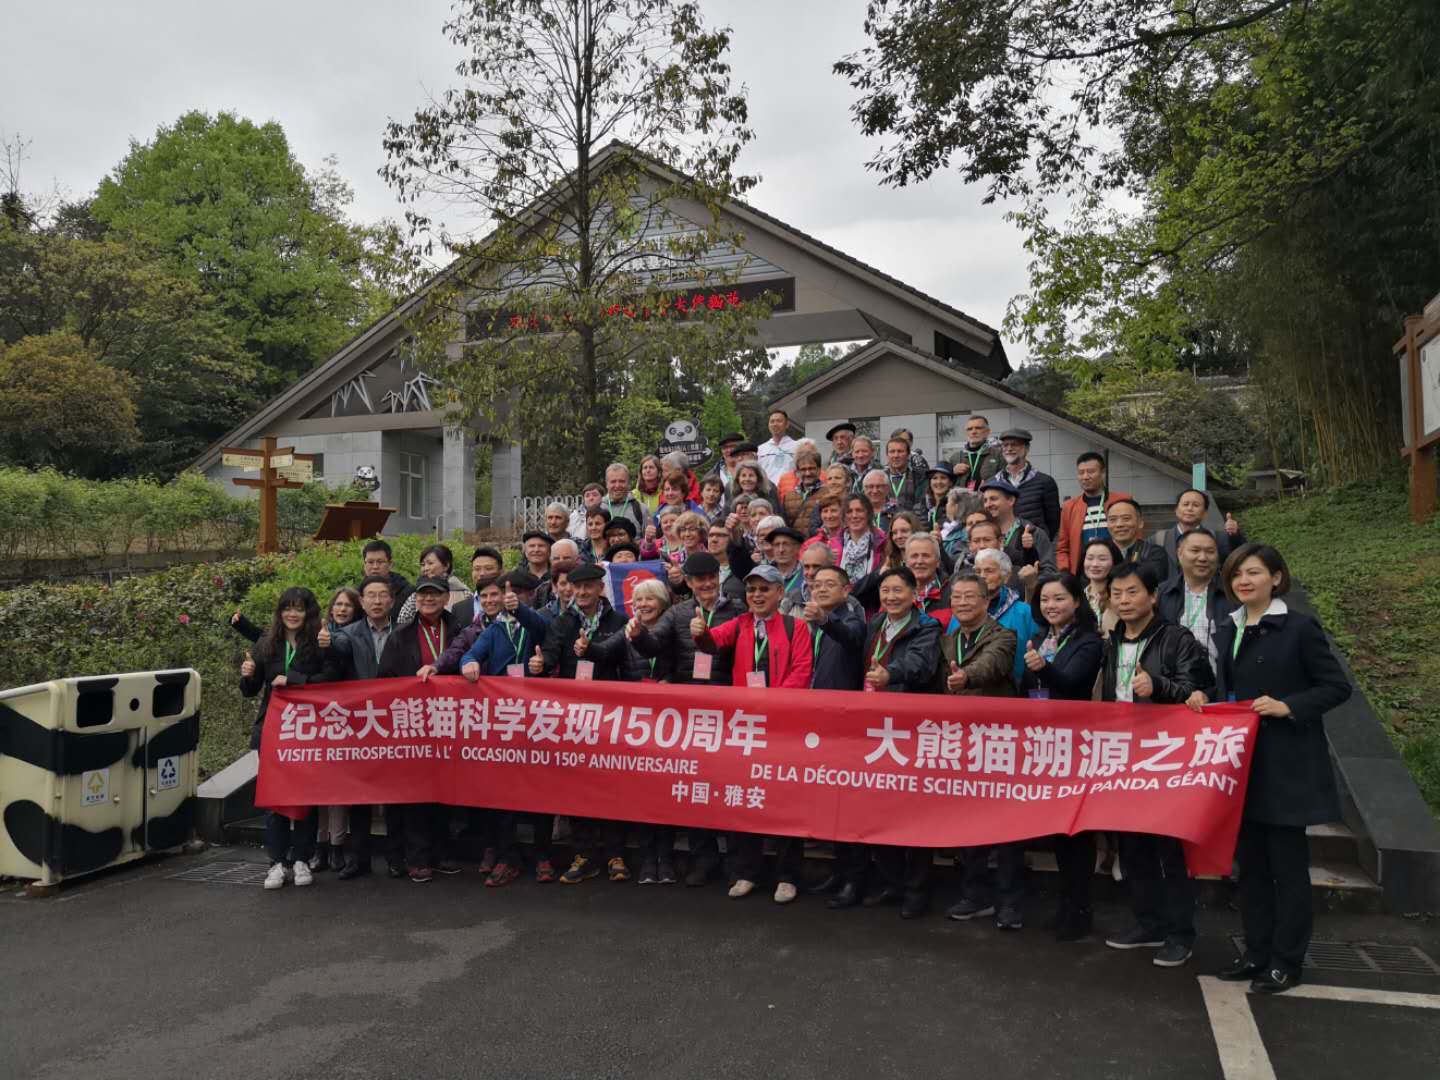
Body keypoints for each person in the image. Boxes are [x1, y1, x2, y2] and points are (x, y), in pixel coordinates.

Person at [1202, 544, 1351, 995]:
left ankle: (1287, 960)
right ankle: (1256, 952)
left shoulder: (1299, 628)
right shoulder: (1229, 628)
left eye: (1253, 572)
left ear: (1277, 578)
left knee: (1287, 870)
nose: (1243, 581)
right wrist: (1205, 698)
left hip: (1286, 765)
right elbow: (1228, 689)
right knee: (1250, 868)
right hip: (1242, 765)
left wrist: (1289, 706)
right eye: (1236, 575)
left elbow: (1335, 686)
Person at [1100, 561, 1213, 968]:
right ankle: (1147, 923)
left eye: (1132, 592)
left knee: (1168, 849)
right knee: (1133, 847)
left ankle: (1180, 933)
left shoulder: (1177, 638)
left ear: (1152, 596)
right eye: (1117, 594)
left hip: (1164, 757)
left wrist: (1158, 685)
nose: (1124, 600)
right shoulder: (1112, 640)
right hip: (1122, 755)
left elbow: (1199, 690)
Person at [694, 564, 814, 903]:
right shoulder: (741, 624)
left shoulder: (795, 627)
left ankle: (787, 876)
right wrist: (701, 633)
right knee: (745, 797)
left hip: (783, 727)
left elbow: (802, 671)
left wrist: (771, 705)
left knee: (784, 801)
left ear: (780, 592)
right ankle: (745, 871)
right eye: (751, 590)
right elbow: (712, 644)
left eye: (764, 589)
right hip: (746, 727)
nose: (757, 595)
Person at [529, 562, 630, 884]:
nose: (583, 592)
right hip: (574, 717)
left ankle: (616, 853)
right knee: (577, 785)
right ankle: (583, 854)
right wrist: (539, 664)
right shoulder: (563, 622)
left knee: (611, 785)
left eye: (589, 586)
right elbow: (550, 658)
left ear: (601, 588)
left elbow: (624, 661)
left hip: (611, 716)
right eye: (578, 587)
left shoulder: (618, 621)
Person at [850, 566, 941, 919]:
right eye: (885, 591)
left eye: (897, 590)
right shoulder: (875, 623)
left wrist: (892, 674)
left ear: (913, 594)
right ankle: (892, 882)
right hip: (875, 728)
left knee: (912, 813)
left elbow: (921, 664)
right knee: (878, 809)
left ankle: (917, 890)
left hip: (909, 728)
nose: (890, 597)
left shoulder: (926, 626)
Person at [1021, 573, 1106, 940]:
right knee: (1058, 830)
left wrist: (1044, 667)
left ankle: (1081, 910)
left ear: (1076, 601)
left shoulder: (1089, 640)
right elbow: (1028, 686)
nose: (1051, 606)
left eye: (1058, 599)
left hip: (1076, 743)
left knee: (1077, 831)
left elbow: (1073, 682)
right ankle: (1065, 906)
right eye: (1045, 600)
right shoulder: (1042, 637)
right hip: (1046, 743)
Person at [938, 573, 1023, 928]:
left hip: (997, 743)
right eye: (956, 597)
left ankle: (1010, 902)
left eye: (970, 596)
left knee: (1006, 827)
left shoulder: (1004, 635)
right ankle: (975, 895)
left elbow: (993, 663)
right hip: (960, 743)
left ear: (987, 601)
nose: (961, 602)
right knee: (967, 822)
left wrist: (967, 677)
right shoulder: (948, 640)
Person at [591, 579, 678, 885]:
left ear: (662, 602)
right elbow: (603, 652)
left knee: (665, 794)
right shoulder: (627, 630)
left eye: (649, 599)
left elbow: (685, 665)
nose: (642, 604)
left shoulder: (672, 628)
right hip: (637, 725)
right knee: (642, 794)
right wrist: (585, 647)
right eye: (637, 600)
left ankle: (666, 859)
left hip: (669, 725)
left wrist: (672, 682)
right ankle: (647, 860)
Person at [242, 587, 330, 891]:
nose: (292, 614)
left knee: (306, 797)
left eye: (299, 609)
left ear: (309, 613)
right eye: (287, 608)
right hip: (273, 729)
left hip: (307, 730)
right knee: (274, 798)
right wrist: (248, 674)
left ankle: (302, 858)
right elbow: (251, 690)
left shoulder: (318, 642)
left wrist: (293, 680)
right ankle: (277, 862)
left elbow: (330, 678)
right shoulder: (267, 643)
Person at [378, 576, 462, 883]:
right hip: (414, 725)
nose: (428, 599)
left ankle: (442, 852)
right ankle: (417, 857)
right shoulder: (400, 635)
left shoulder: (459, 630)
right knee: (416, 795)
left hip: (451, 723)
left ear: (446, 598)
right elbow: (385, 680)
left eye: (435, 595)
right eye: (423, 594)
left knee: (445, 792)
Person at [325, 575, 397, 880]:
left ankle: (396, 857)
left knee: (396, 794)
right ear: (362, 602)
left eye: (382, 595)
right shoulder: (347, 635)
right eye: (371, 596)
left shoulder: (404, 632)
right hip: (360, 723)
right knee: (359, 794)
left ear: (392, 600)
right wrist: (325, 647)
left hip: (397, 722)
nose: (377, 601)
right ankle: (359, 859)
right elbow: (335, 659)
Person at [310, 587, 362, 873]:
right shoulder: (316, 633)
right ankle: (320, 846)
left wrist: (328, 645)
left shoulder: (356, 636)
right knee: (319, 788)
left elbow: (341, 653)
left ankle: (337, 847)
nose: (342, 609)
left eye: (348, 605)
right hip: (318, 719)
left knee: (339, 789)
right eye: (338, 604)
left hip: (348, 718)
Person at [1157, 527, 1227, 672]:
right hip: (1172, 680)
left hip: (1219, 680)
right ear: (1180, 554)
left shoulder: (1230, 593)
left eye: (1210, 552)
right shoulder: (1162, 594)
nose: (1203, 558)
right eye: (1195, 551)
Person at [1056, 452, 1131, 573]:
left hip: (1119, 572)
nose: (1085, 477)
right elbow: (1062, 548)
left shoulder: (1123, 501)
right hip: (1082, 575)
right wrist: (1065, 571)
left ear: (1102, 473)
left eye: (1091, 471)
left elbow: (1135, 540)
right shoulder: (1069, 507)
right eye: (1081, 472)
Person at [980, 478, 1056, 594]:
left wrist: (1029, 581)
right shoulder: (981, 535)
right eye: (985, 500)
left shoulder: (1033, 533)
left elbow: (1049, 571)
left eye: (993, 499)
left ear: (1011, 500)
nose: (988, 504)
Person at [973, 548, 1038, 685]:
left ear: (1006, 576)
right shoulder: (964, 610)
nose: (982, 576)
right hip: (970, 688)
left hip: (1015, 689)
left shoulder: (1024, 612)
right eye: (978, 571)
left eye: (989, 571)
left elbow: (1037, 652)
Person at [989, 429, 1061, 539]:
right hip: (1003, 544)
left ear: (1026, 448)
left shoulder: (1045, 482)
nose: (1009, 449)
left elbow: (1053, 522)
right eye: (1005, 445)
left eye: (1014, 445)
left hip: (1035, 545)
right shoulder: (993, 483)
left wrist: (1039, 541)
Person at [1153, 488, 1246, 569]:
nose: (1190, 508)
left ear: (1205, 513)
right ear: (1176, 510)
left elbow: (1241, 558)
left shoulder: (1218, 538)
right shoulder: (1158, 540)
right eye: (1185, 504)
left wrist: (1235, 536)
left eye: (1196, 505)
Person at [395, 543, 470, 628]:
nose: (425, 568)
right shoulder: (415, 596)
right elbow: (402, 624)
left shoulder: (465, 594)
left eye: (430, 563)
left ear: (446, 566)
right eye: (423, 565)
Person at [1106, 498, 1174, 583]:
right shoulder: (1097, 552)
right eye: (1113, 519)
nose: (1119, 524)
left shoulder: (1154, 553)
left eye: (1126, 518)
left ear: (1140, 523)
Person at [450, 546, 505, 628]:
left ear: (501, 572)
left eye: (488, 568)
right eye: (477, 569)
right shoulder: (458, 609)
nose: (482, 573)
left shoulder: (512, 603)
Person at [949, 414, 1004, 493]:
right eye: (969, 429)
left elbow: (1006, 482)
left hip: (988, 499)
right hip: (962, 500)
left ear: (987, 432)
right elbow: (945, 484)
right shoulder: (956, 457)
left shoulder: (999, 455)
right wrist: (952, 472)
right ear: (966, 433)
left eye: (978, 428)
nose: (973, 432)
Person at [361, 539, 412, 611]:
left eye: (380, 562)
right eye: (370, 562)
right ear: (364, 565)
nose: (375, 566)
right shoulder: (357, 594)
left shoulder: (406, 593)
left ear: (390, 564)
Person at [781, 447, 826, 529]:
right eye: (803, 469)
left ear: (819, 470)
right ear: (797, 472)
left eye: (811, 468)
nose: (807, 473)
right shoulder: (788, 497)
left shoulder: (828, 494)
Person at [903, 533, 948, 615]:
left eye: (926, 556)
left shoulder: (952, 593)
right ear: (906, 562)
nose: (919, 561)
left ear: (938, 561)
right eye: (914, 556)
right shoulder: (895, 592)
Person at [881, 436, 926, 515]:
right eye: (892, 451)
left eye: (900, 451)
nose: (896, 455)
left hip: (911, 521)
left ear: (908, 455)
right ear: (887, 455)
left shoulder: (919, 477)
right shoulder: (879, 478)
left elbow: (921, 507)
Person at [600, 462, 648, 534]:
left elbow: (648, 539)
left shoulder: (641, 509)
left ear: (628, 483)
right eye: (613, 482)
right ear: (606, 484)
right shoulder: (599, 507)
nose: (617, 485)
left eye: (621, 481)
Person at [534, 539, 581, 608]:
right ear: (550, 561)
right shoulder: (541, 591)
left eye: (566, 558)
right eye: (556, 558)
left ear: (577, 560)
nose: (561, 562)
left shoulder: (586, 587)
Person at [757, 408, 798, 484]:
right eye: (772, 421)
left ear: (787, 424)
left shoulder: (797, 447)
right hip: (767, 490)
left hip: (789, 489)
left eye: (779, 421)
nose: (775, 424)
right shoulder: (760, 449)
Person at [923, 462, 954, 533]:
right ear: (930, 482)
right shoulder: (920, 506)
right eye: (935, 478)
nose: (939, 482)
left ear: (951, 482)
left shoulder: (955, 506)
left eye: (943, 478)